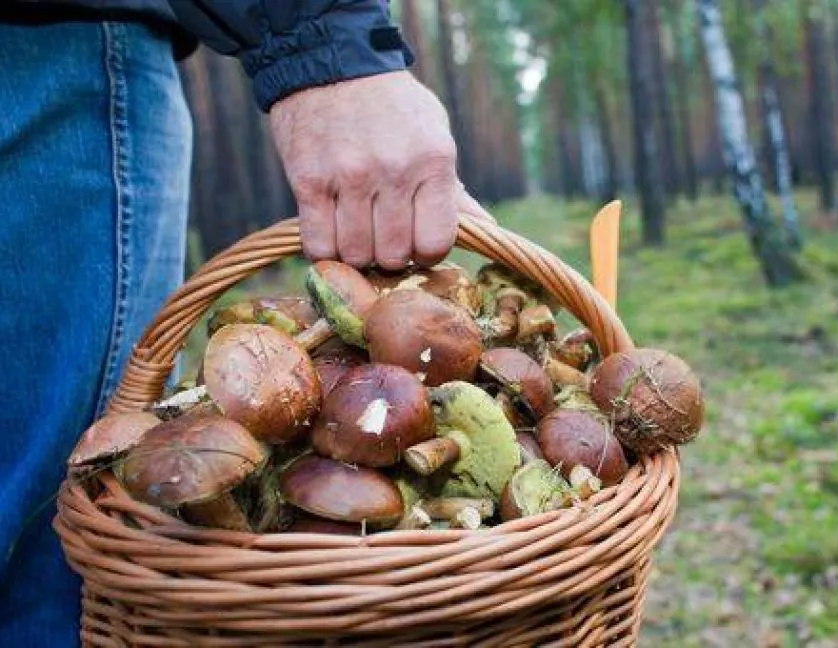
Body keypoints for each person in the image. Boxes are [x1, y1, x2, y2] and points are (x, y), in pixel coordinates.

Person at [0, 1, 490, 642]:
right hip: (55, 53)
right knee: (67, 549)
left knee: (52, 554)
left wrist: (325, 45)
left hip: (48, 42)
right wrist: (328, 45)